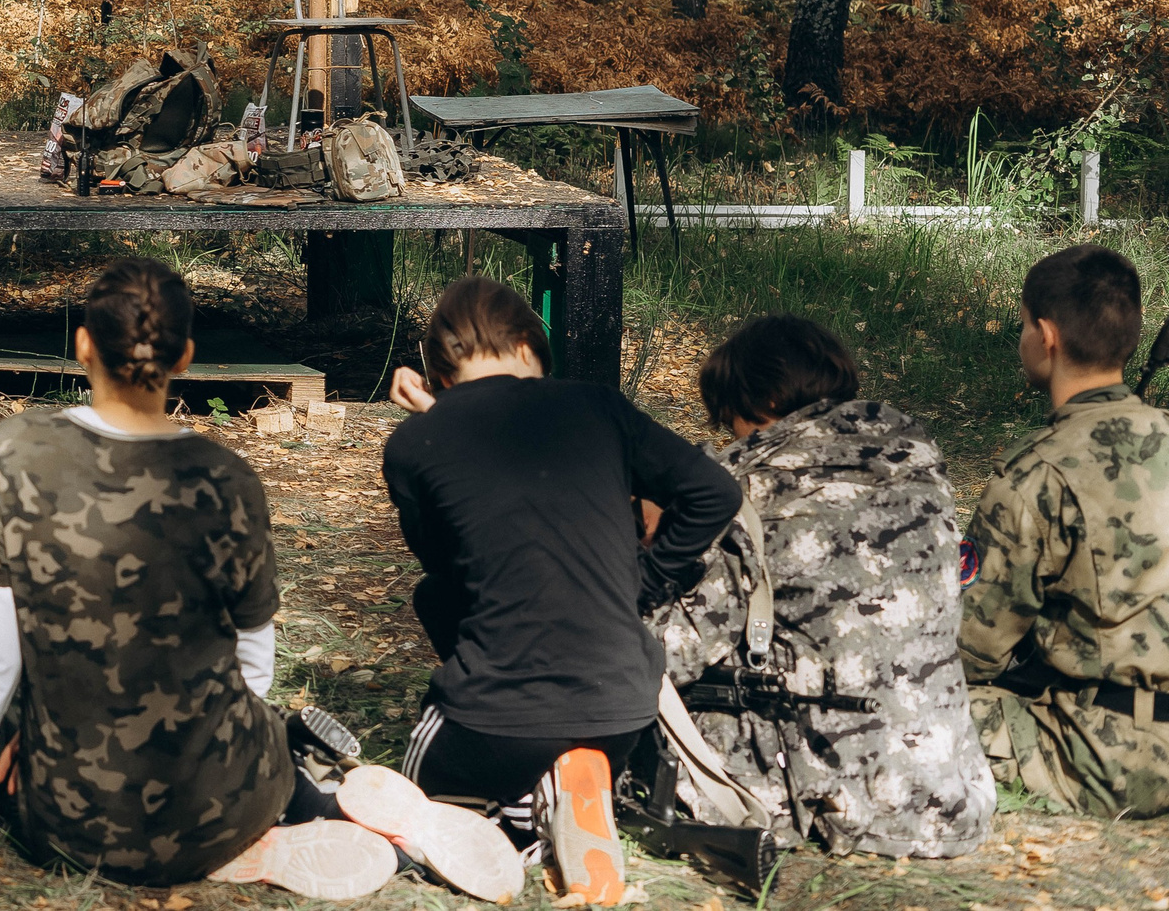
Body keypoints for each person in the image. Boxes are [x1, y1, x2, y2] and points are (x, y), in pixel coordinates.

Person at [0, 258, 296, 890]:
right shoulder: (229, 480)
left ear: (82, 346)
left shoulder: (18, 453)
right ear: (186, 359)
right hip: (220, 815)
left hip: (66, 827)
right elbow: (254, 665)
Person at [385, 276, 741, 906]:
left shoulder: (414, 444)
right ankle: (563, 788)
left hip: (492, 720)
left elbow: (449, 563)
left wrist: (432, 421)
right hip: (622, 712)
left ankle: (520, 812)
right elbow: (715, 491)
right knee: (436, 597)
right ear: (527, 343)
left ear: (441, 372)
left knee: (408, 798)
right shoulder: (598, 407)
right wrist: (645, 581)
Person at [654, 315, 993, 856]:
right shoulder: (918, 458)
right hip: (949, 788)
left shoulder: (747, 486)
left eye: (731, 420)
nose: (733, 436)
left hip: (848, 800)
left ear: (755, 401)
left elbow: (674, 653)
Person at [961, 243, 1169, 819]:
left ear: (1046, 336)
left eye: (1024, 324)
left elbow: (969, 652)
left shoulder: (1035, 475)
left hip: (1113, 761)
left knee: (910, 704)